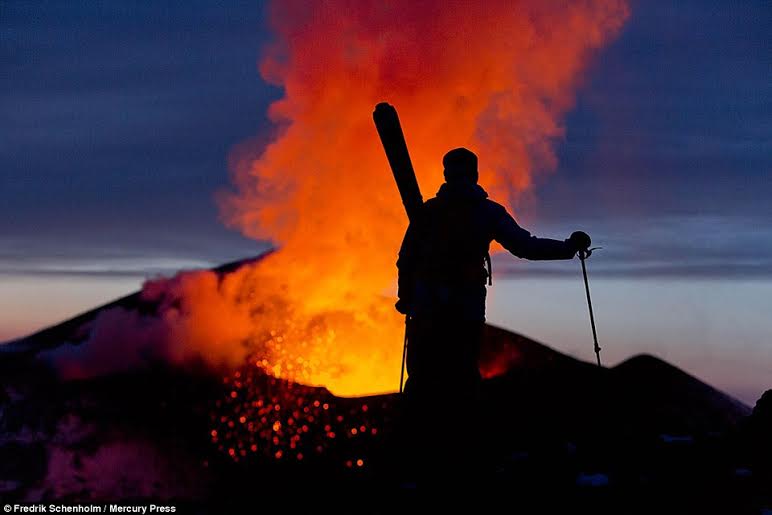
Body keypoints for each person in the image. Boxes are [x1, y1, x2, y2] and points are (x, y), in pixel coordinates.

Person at [394, 147, 591, 484]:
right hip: (464, 312)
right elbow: (525, 246)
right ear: (475, 174)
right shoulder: (487, 213)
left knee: (423, 383)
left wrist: (406, 297)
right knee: (463, 382)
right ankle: (466, 463)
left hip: (426, 313)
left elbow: (406, 259)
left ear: (445, 174)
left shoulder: (427, 214)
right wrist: (568, 248)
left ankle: (414, 463)